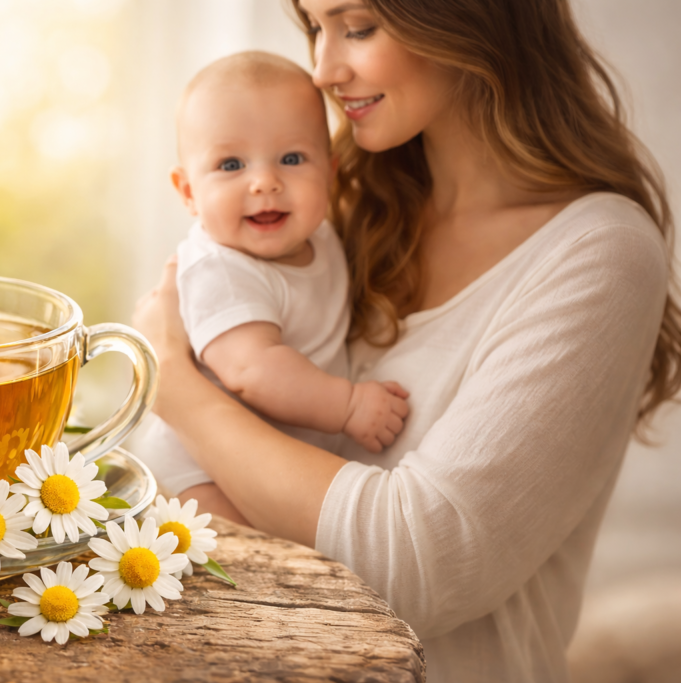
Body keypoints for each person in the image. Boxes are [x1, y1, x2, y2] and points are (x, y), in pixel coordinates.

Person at [131, 0, 681, 681]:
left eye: (357, 27)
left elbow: (415, 570)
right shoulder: (343, 213)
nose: (325, 70)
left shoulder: (599, 251)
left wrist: (175, 389)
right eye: (314, 29)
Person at [136, 51, 408, 523]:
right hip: (196, 470)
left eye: (291, 158)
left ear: (330, 172)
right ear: (188, 193)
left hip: (271, 460)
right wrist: (348, 405)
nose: (265, 182)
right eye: (230, 164)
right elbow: (253, 369)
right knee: (244, 558)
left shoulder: (321, 237)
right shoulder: (219, 268)